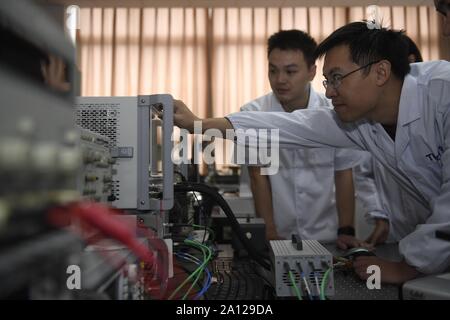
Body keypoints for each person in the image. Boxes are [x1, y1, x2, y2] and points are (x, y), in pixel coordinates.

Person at [173, 21, 450, 284]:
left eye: (337, 78)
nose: (329, 92)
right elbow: (292, 126)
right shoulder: (362, 121)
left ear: (380, 72)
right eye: (328, 81)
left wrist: (408, 266)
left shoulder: (442, 93)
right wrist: (199, 124)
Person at [240, 30, 384, 249]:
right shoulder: (252, 113)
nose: (280, 80)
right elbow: (258, 176)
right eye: (273, 70)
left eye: (290, 71)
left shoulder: (336, 112)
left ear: (311, 72)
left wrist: (346, 230)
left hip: (326, 234)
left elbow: (344, 172)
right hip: (279, 235)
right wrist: (269, 232)